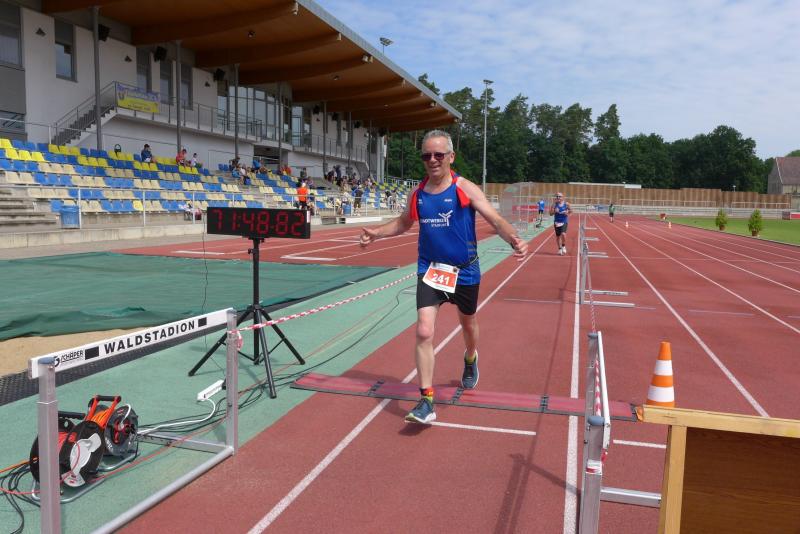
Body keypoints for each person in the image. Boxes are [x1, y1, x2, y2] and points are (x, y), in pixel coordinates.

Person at [359, 130, 527, 424]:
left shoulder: (464, 188)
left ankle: (471, 356)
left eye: (438, 155)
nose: (432, 160)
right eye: (427, 155)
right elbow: (403, 223)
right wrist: (377, 233)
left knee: (468, 323)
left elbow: (495, 219)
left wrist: (514, 238)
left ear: (451, 157)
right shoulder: (418, 194)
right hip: (431, 270)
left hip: (465, 270)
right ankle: (426, 400)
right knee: (424, 331)